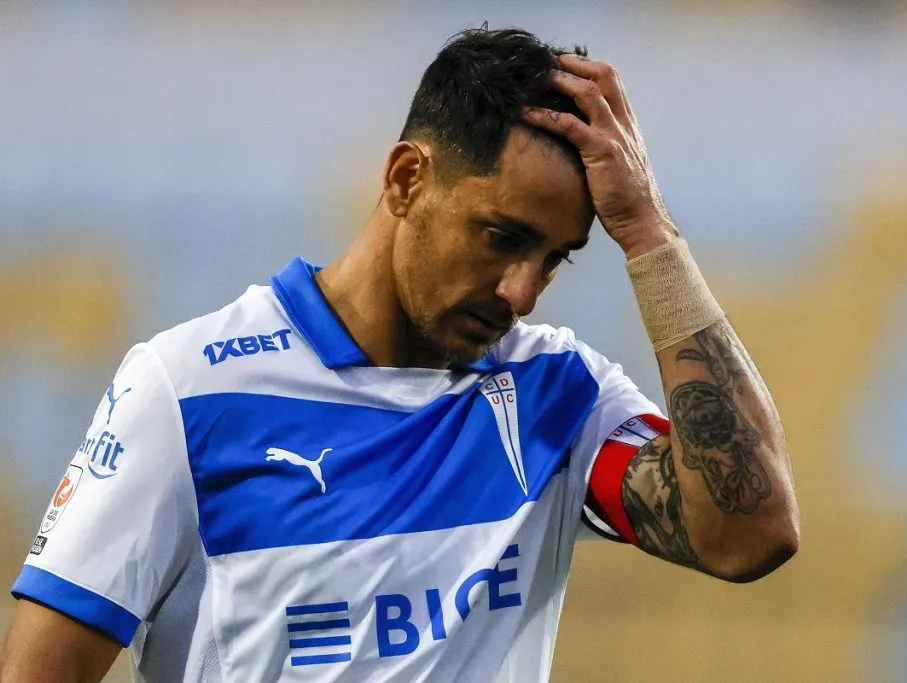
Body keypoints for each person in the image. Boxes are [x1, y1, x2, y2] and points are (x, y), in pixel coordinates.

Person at [0, 27, 799, 683]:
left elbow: (751, 530)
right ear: (407, 177)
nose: (523, 292)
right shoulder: (186, 390)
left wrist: (650, 235)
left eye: (554, 259)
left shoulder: (555, 395)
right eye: (503, 238)